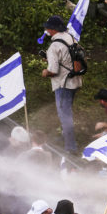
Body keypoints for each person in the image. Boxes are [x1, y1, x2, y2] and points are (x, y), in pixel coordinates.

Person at [42, 16, 82, 152]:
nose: (46, 30)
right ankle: (65, 137)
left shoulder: (54, 46)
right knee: (67, 112)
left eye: (48, 27)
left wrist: (45, 72)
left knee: (65, 116)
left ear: (53, 29)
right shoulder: (70, 37)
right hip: (75, 81)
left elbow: (53, 71)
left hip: (63, 84)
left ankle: (70, 147)